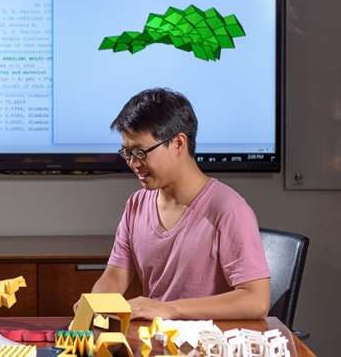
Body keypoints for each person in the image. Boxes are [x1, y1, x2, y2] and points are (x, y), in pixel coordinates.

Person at [86, 88, 271, 321]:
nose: (133, 163)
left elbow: (256, 300)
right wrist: (96, 308)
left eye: (141, 152)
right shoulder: (137, 204)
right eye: (127, 152)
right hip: (158, 343)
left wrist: (170, 309)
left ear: (178, 143)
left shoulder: (230, 210)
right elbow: (114, 277)